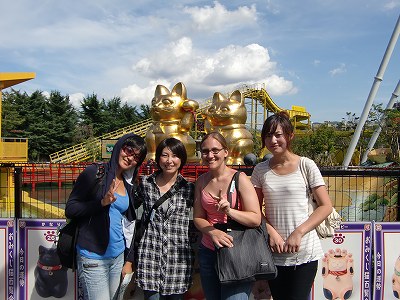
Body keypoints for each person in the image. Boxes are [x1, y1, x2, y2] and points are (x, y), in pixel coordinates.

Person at [250, 111, 333, 300]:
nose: (273, 140)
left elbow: (325, 206)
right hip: (274, 252)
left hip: (304, 252)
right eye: (268, 135)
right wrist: (270, 232)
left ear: (290, 136)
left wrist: (298, 233)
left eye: (278, 135)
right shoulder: (260, 170)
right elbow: (255, 210)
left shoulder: (306, 165)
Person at [65, 133, 147, 300]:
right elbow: (71, 208)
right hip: (93, 256)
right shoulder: (95, 172)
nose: (130, 157)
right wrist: (101, 203)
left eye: (136, 157)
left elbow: (129, 224)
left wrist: (129, 259)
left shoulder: (129, 183)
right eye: (128, 150)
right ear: (119, 147)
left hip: (117, 256)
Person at [193, 132, 262, 300]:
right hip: (209, 251)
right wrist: (212, 232)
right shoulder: (201, 181)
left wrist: (229, 211)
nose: (210, 155)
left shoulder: (240, 179)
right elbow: (198, 217)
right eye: (205, 151)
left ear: (226, 152)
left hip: (236, 251)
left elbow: (255, 218)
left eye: (215, 150)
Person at [134, 137, 195, 300]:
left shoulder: (189, 188)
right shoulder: (146, 184)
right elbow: (128, 209)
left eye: (175, 156)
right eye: (165, 155)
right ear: (158, 158)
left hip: (178, 259)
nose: (170, 161)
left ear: (181, 159)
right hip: (150, 256)